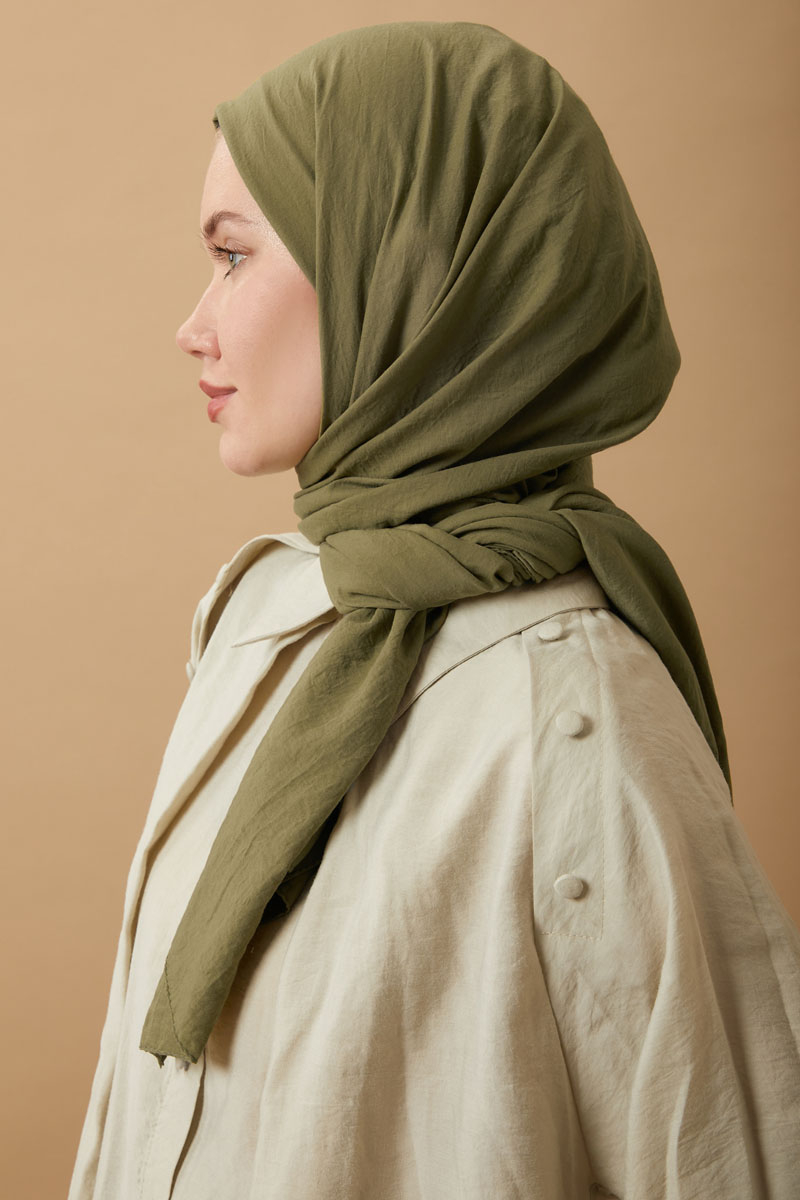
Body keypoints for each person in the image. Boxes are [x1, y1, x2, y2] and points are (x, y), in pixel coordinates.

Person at [68, 20, 800, 1200]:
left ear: (400, 266)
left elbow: (722, 1156)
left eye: (234, 256)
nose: (193, 325)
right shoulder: (260, 622)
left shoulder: (574, 712)